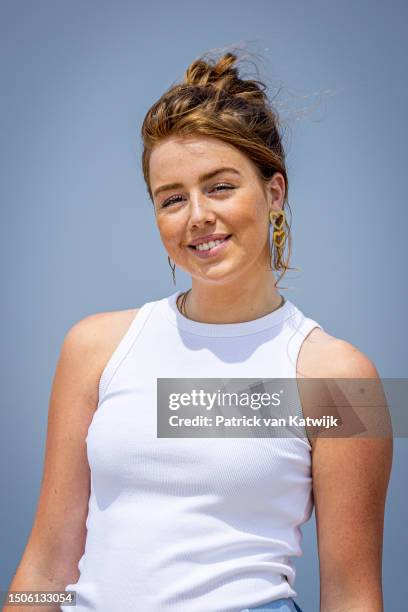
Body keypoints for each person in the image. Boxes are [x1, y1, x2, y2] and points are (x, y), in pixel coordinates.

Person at [5, 49, 392, 612]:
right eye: (173, 198)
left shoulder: (343, 379)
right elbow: (46, 561)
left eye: (220, 187)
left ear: (275, 193)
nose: (197, 216)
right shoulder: (92, 348)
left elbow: (353, 595)